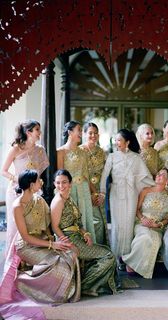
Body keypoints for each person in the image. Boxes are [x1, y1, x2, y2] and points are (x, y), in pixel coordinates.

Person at [0, 169, 80, 304]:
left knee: (70, 254)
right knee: (59, 264)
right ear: (31, 185)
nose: (41, 182)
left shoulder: (39, 200)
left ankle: (61, 292)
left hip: (44, 242)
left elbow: (49, 226)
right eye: (38, 180)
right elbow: (25, 236)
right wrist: (52, 245)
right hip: (26, 247)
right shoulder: (17, 206)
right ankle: (24, 284)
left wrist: (56, 241)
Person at [50, 169, 118, 297]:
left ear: (70, 184)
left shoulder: (68, 198)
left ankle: (90, 285)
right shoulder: (58, 201)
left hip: (77, 236)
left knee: (106, 252)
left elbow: (78, 222)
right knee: (108, 256)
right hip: (69, 239)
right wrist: (68, 244)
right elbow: (54, 227)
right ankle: (85, 286)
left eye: (64, 182)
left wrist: (86, 233)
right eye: (58, 183)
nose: (61, 186)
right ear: (54, 184)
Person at [100, 129, 155, 268]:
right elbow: (104, 176)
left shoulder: (136, 158)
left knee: (128, 224)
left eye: (119, 140)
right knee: (117, 225)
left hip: (131, 194)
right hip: (115, 193)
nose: (117, 143)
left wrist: (155, 188)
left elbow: (146, 177)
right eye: (116, 140)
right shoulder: (111, 157)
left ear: (127, 142)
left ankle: (126, 258)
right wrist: (102, 192)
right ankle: (115, 257)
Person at [1, 120, 49, 252]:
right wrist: (19, 180)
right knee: (15, 227)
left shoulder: (40, 150)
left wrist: (39, 187)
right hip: (16, 192)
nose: (40, 133)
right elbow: (3, 171)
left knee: (33, 226)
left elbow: (41, 173)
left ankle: (30, 261)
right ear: (29, 132)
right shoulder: (16, 149)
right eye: (37, 130)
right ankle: (13, 264)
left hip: (34, 192)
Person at [122, 169, 168, 278]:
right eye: (158, 173)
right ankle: (130, 263)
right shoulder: (146, 191)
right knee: (145, 237)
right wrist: (143, 219)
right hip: (142, 223)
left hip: (157, 228)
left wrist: (157, 225)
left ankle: (133, 263)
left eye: (162, 175)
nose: (158, 175)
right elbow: (136, 209)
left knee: (154, 241)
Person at [57, 121, 96, 242]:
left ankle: (88, 250)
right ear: (70, 132)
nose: (80, 133)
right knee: (72, 219)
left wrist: (94, 192)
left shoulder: (83, 152)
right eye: (78, 130)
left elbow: (87, 175)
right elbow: (60, 175)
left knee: (85, 218)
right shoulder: (61, 151)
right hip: (70, 189)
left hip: (83, 189)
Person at [80, 122, 109, 245]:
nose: (93, 135)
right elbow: (82, 174)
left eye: (95, 133)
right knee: (90, 222)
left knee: (101, 223)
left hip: (99, 191)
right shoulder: (79, 151)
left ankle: (101, 252)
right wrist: (93, 192)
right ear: (84, 134)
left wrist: (102, 193)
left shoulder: (101, 152)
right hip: (84, 190)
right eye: (90, 133)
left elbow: (105, 174)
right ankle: (89, 252)